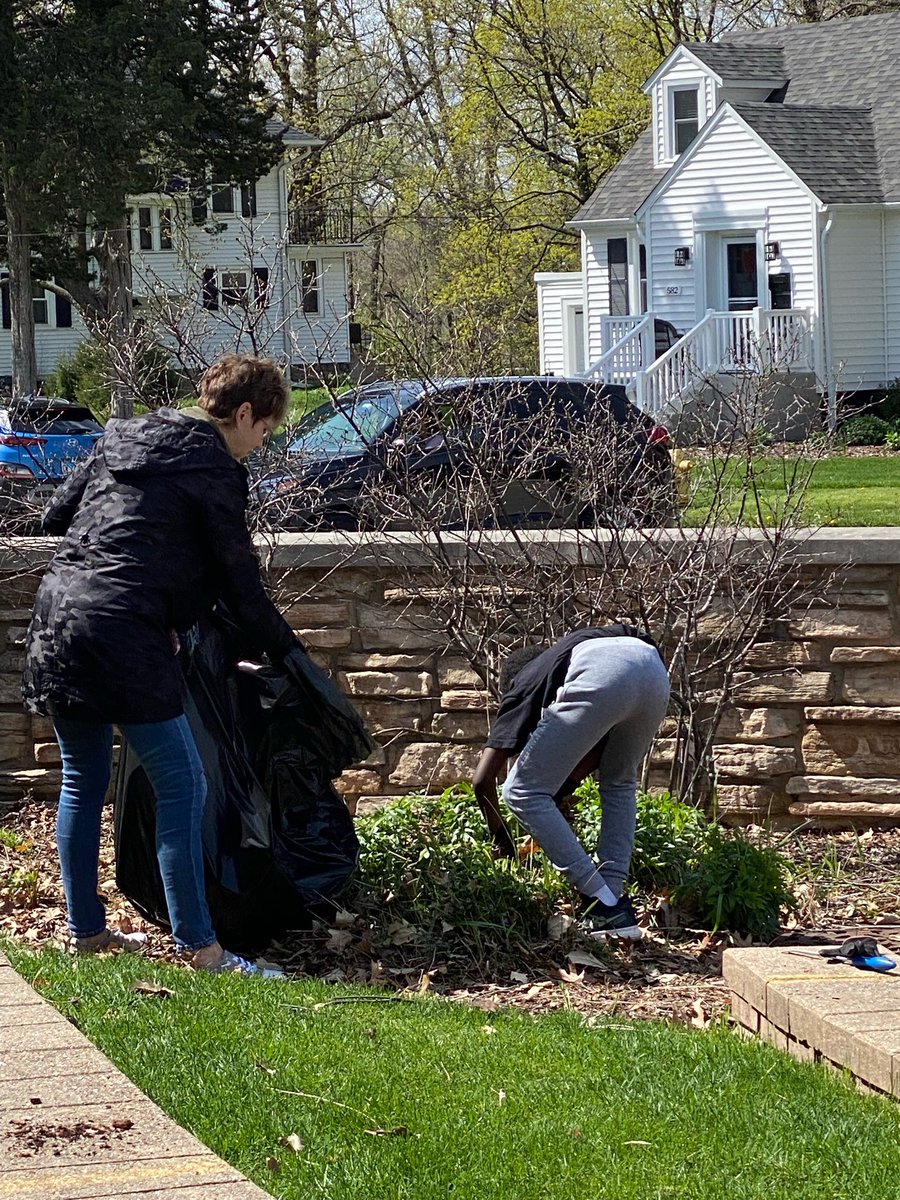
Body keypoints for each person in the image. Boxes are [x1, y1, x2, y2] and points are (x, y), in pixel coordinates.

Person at [22, 354, 301, 974]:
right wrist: (291, 655)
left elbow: (55, 517)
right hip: (125, 634)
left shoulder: (123, 436)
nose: (261, 445)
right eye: (264, 432)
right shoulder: (215, 469)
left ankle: (86, 933)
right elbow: (241, 584)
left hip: (60, 619)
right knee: (184, 785)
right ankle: (201, 948)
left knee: (81, 778)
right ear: (245, 413)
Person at [472, 625, 670, 940]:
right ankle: (614, 910)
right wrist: (560, 792)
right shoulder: (561, 662)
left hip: (607, 672)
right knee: (619, 783)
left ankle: (599, 898)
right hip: (653, 668)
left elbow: (483, 782)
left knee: (520, 791)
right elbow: (591, 756)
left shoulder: (523, 684)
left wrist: (504, 842)